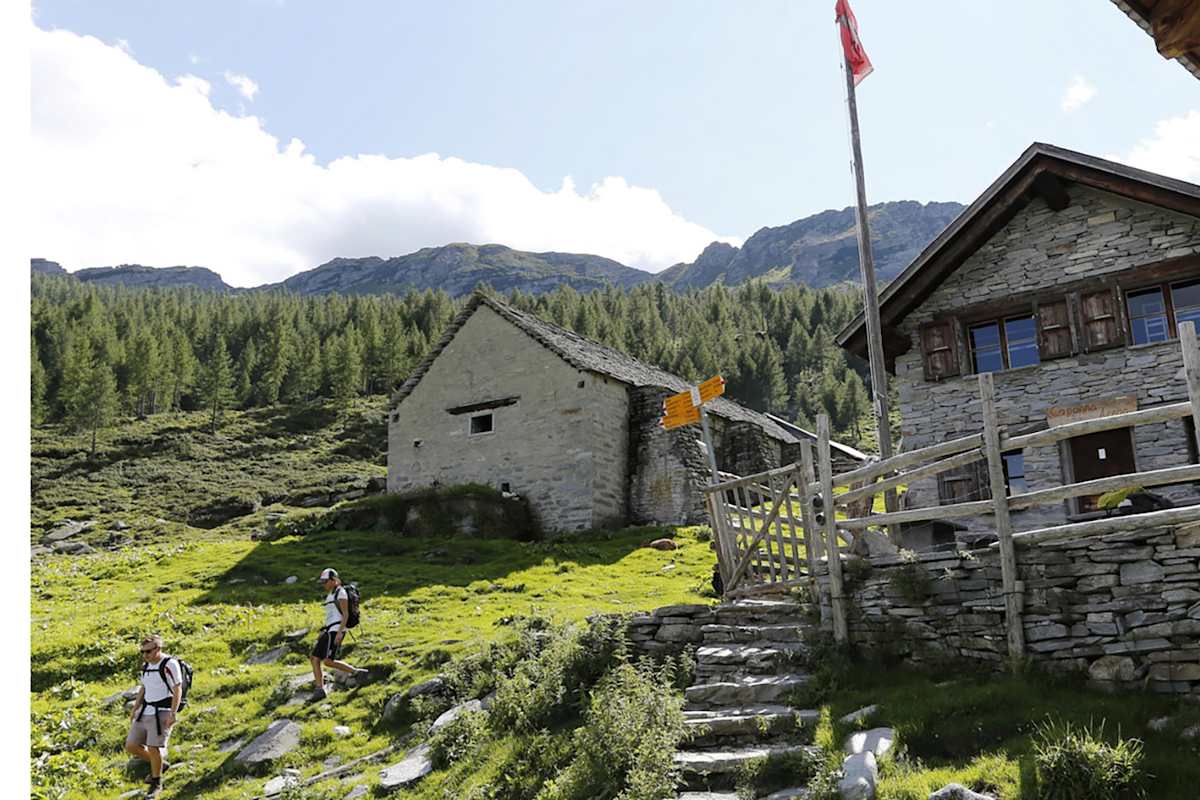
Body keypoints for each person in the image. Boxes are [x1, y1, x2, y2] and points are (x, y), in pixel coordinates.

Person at [125, 635, 181, 799]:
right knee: (131, 745)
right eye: (143, 652)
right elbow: (144, 687)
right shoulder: (146, 665)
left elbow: (177, 689)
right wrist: (135, 708)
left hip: (162, 711)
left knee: (154, 747)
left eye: (148, 651)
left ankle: (157, 783)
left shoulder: (170, 664)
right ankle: (160, 765)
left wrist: (173, 714)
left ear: (158, 648)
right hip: (145, 710)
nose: (145, 655)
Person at [310, 568, 366, 700]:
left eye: (325, 581)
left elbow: (345, 614)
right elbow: (332, 615)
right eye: (322, 582)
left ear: (333, 580)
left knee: (328, 661)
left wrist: (340, 632)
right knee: (314, 658)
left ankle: (356, 672)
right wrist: (324, 630)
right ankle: (320, 689)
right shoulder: (331, 594)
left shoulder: (341, 593)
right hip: (330, 630)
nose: (323, 584)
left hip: (336, 630)